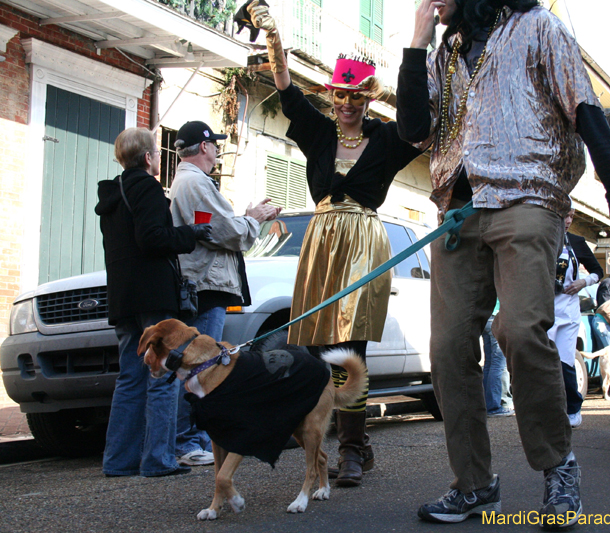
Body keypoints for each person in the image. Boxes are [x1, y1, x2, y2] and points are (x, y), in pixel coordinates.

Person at [396, 0, 610, 526]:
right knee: (446, 350)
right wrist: (417, 42)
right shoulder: (448, 50)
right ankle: (475, 485)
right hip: (459, 213)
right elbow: (413, 128)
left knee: (521, 330)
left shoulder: (539, 27)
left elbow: (585, 109)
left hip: (528, 197)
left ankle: (558, 467)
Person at [258, 8, 423, 487]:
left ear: (367, 100)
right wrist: (273, 38)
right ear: (331, 98)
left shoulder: (389, 139)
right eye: (340, 97)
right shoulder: (318, 132)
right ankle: (325, 442)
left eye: (355, 98)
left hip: (363, 244)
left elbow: (422, 124)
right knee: (314, 347)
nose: (347, 105)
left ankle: (352, 450)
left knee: (350, 348)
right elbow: (287, 90)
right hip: (321, 241)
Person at [95, 127, 212, 477]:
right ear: (148, 158)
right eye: (158, 154)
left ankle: (118, 461)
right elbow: (151, 239)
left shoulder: (111, 195)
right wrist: (189, 234)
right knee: (160, 375)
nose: (159, 159)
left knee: (130, 377)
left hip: (123, 296)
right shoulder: (144, 186)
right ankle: (158, 460)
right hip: (152, 295)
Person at [169, 120, 281, 466]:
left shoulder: (187, 181)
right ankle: (189, 441)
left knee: (199, 364)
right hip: (205, 284)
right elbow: (225, 232)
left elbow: (212, 228)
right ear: (204, 147)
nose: (218, 151)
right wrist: (254, 218)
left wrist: (243, 219)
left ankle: (193, 438)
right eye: (215, 145)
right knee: (201, 365)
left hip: (202, 282)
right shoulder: (196, 182)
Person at [549, 204, 603, 428]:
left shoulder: (578, 242)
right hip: (542, 309)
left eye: (571, 216)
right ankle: (547, 410)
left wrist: (583, 281)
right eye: (564, 215)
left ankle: (573, 408)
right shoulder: (541, 239)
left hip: (569, 312)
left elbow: (598, 272)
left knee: (564, 362)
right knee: (542, 362)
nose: (568, 220)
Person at [483, 301, 514, 417]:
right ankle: (494, 406)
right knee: (499, 365)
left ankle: (488, 404)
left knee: (489, 364)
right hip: (497, 317)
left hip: (485, 318)